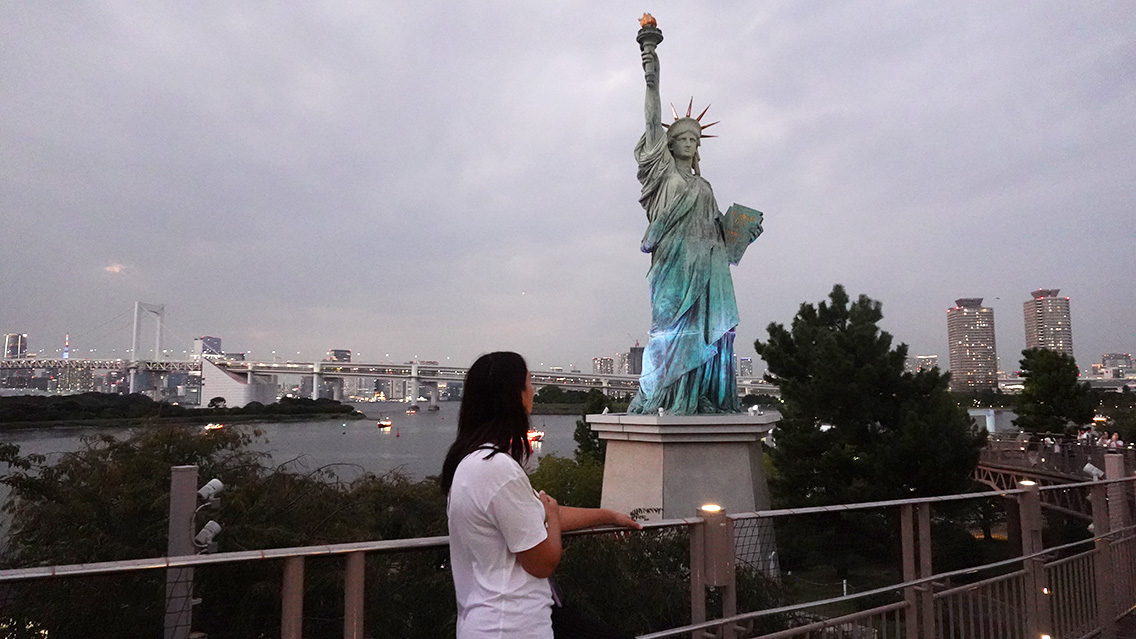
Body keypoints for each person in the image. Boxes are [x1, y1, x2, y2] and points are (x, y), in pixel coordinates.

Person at [442, 351, 640, 639]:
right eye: (529, 382)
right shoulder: (497, 469)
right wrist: (552, 516)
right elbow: (542, 562)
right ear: (515, 395)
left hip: (489, 621)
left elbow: (534, 520)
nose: (532, 390)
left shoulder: (471, 463)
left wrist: (609, 516)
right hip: (511, 625)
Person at [627, 42, 749, 415]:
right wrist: (652, 79)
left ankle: (699, 395)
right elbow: (652, 122)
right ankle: (666, 395)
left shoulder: (704, 186)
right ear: (670, 144)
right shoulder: (662, 173)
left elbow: (719, 231)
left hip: (707, 266)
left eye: (694, 140)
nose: (689, 143)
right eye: (682, 138)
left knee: (708, 329)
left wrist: (740, 231)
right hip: (673, 263)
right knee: (669, 329)